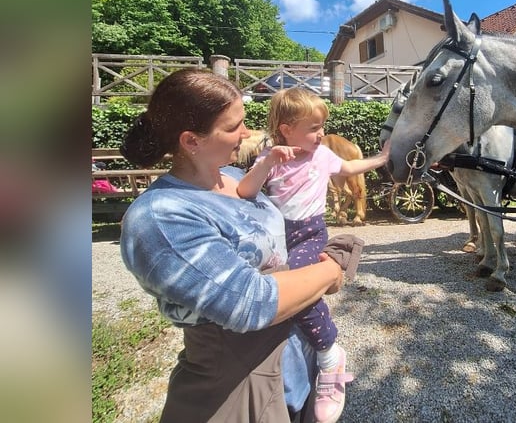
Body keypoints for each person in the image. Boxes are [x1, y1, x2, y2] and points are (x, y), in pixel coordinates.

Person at [119, 69, 345, 423]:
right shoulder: (161, 216)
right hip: (237, 381)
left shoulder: (237, 179)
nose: (248, 133)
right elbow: (251, 303)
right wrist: (332, 268)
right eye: (233, 127)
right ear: (191, 141)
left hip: (296, 354)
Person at [237, 87, 389, 423]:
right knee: (283, 297)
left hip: (310, 232)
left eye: (322, 126)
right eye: (313, 128)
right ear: (286, 130)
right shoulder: (272, 157)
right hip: (279, 235)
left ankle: (329, 353)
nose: (321, 134)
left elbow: (349, 169)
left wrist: (380, 159)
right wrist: (268, 161)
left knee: (298, 288)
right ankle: (299, 368)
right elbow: (246, 191)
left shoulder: (321, 157)